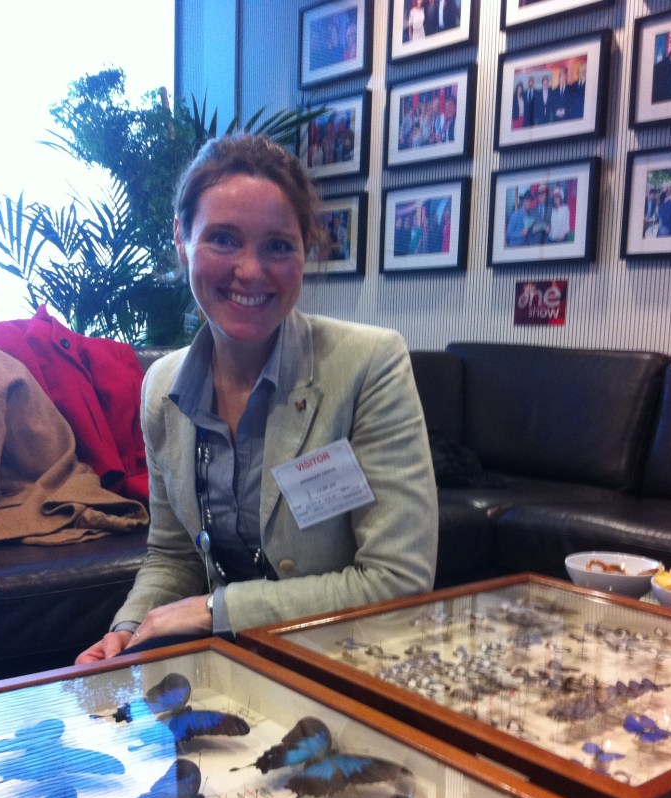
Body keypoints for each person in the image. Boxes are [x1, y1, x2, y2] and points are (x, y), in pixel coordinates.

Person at [76, 134, 437, 663]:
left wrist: (215, 611)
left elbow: (398, 581)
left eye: (277, 245)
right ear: (181, 239)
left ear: (306, 249)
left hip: (347, 663)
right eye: (222, 239)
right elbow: (173, 557)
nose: (250, 270)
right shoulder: (161, 388)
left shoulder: (369, 364)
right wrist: (127, 632)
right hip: (227, 671)